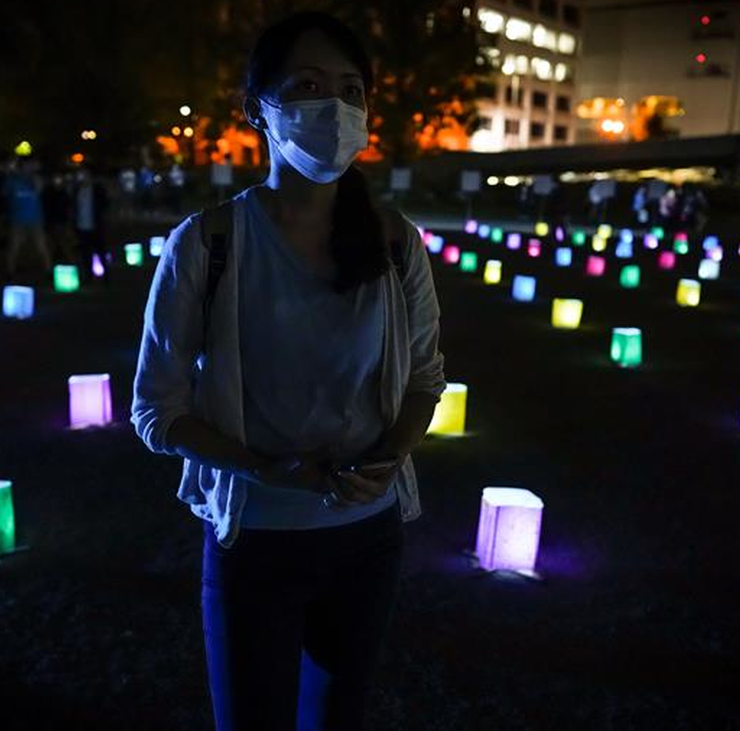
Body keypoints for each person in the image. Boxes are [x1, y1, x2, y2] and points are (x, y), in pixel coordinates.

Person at [131, 11, 446, 730]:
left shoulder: (396, 241)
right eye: (306, 85)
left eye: (350, 89)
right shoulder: (208, 243)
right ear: (256, 112)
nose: (333, 108)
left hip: (368, 537)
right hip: (257, 541)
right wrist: (266, 468)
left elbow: (426, 377)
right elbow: (157, 408)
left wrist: (390, 453)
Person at [2, 158, 52, 278]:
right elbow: (3, 193)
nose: (29, 168)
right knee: (14, 247)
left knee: (41, 246)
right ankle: (10, 271)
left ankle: (48, 270)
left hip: (35, 219)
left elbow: (39, 188)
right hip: (17, 220)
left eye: (31, 165)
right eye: (26, 165)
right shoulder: (12, 180)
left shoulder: (36, 179)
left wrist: (32, 177)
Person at [71, 167, 110, 281]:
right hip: (82, 226)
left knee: (100, 251)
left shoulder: (97, 190)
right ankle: (88, 275)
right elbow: (74, 208)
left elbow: (105, 204)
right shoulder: (77, 190)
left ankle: (106, 275)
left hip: (96, 225)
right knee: (85, 253)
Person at [42, 172, 76, 264]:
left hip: (61, 221)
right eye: (55, 179)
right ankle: (56, 261)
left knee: (62, 242)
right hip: (51, 221)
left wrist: (69, 220)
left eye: (59, 179)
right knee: (54, 243)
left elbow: (68, 206)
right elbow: (45, 206)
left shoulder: (64, 192)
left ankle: (70, 261)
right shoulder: (48, 191)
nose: (57, 181)